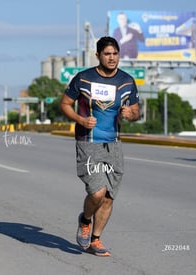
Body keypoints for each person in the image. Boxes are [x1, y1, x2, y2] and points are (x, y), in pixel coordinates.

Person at [60, 36, 140, 257]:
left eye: (115, 53)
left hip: (113, 145)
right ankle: (85, 219)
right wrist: (81, 120)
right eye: (107, 54)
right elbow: (65, 104)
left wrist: (130, 114)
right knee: (97, 192)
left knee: (108, 197)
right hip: (88, 143)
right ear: (98, 56)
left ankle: (95, 239)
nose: (112, 58)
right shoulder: (84, 79)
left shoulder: (126, 81)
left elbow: (136, 112)